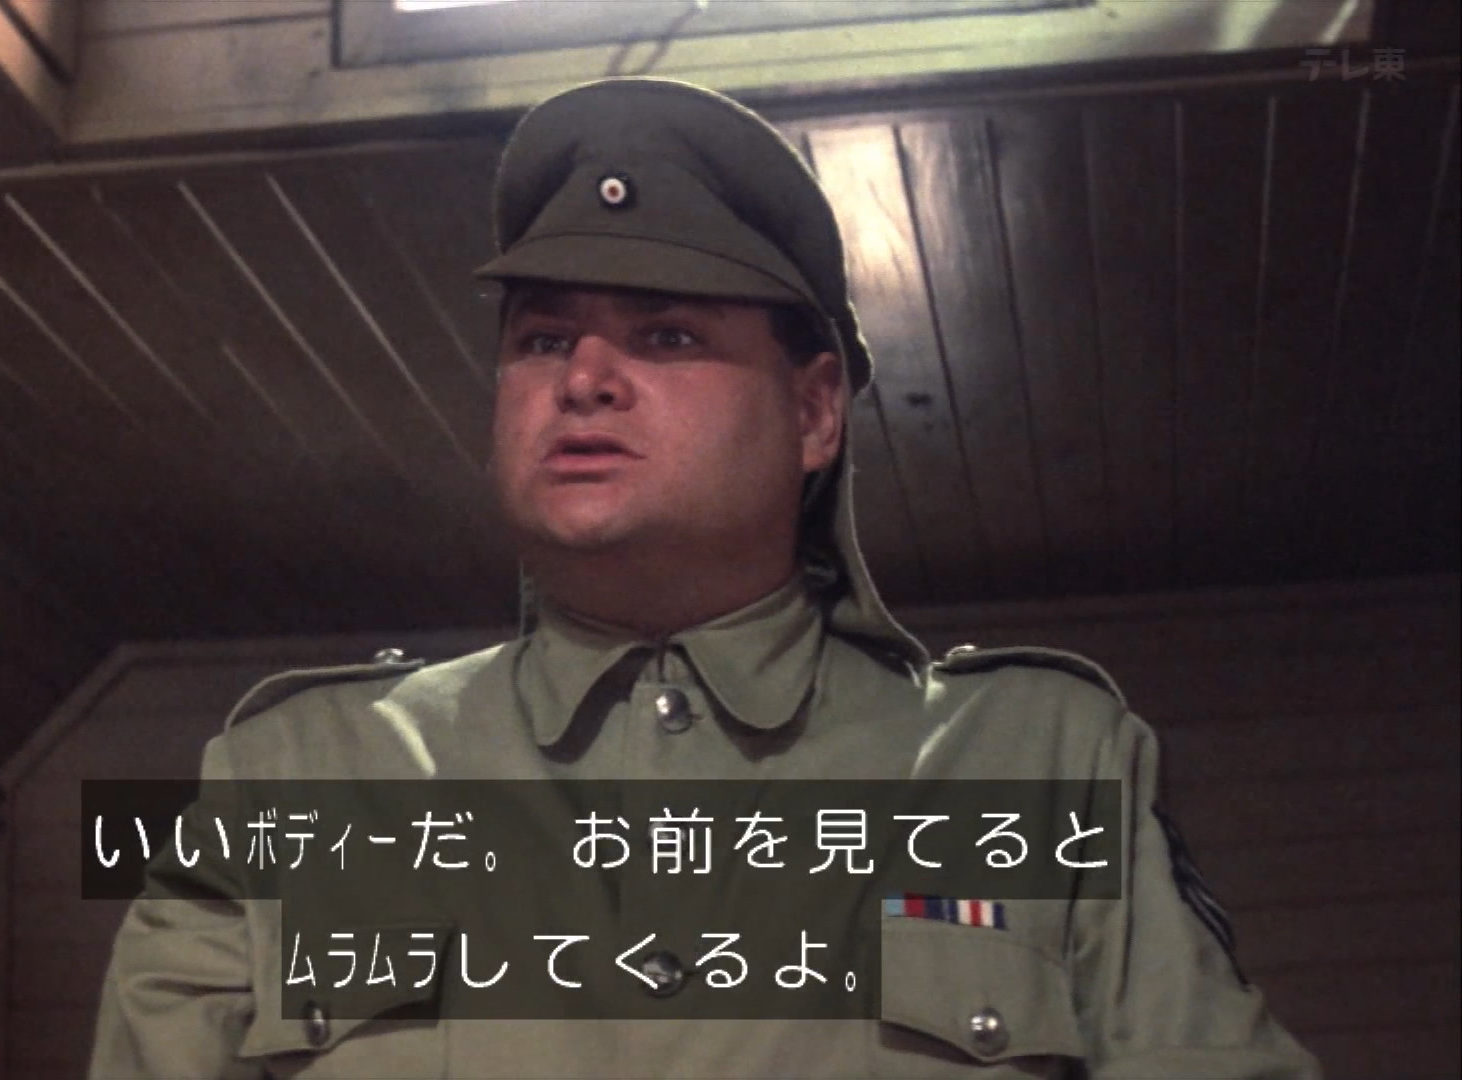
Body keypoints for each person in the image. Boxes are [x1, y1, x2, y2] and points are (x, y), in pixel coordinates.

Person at [88, 77, 1318, 1078]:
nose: (583, 379)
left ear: (815, 412)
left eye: (668, 334)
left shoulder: (1039, 765)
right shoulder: (295, 779)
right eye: (543, 338)